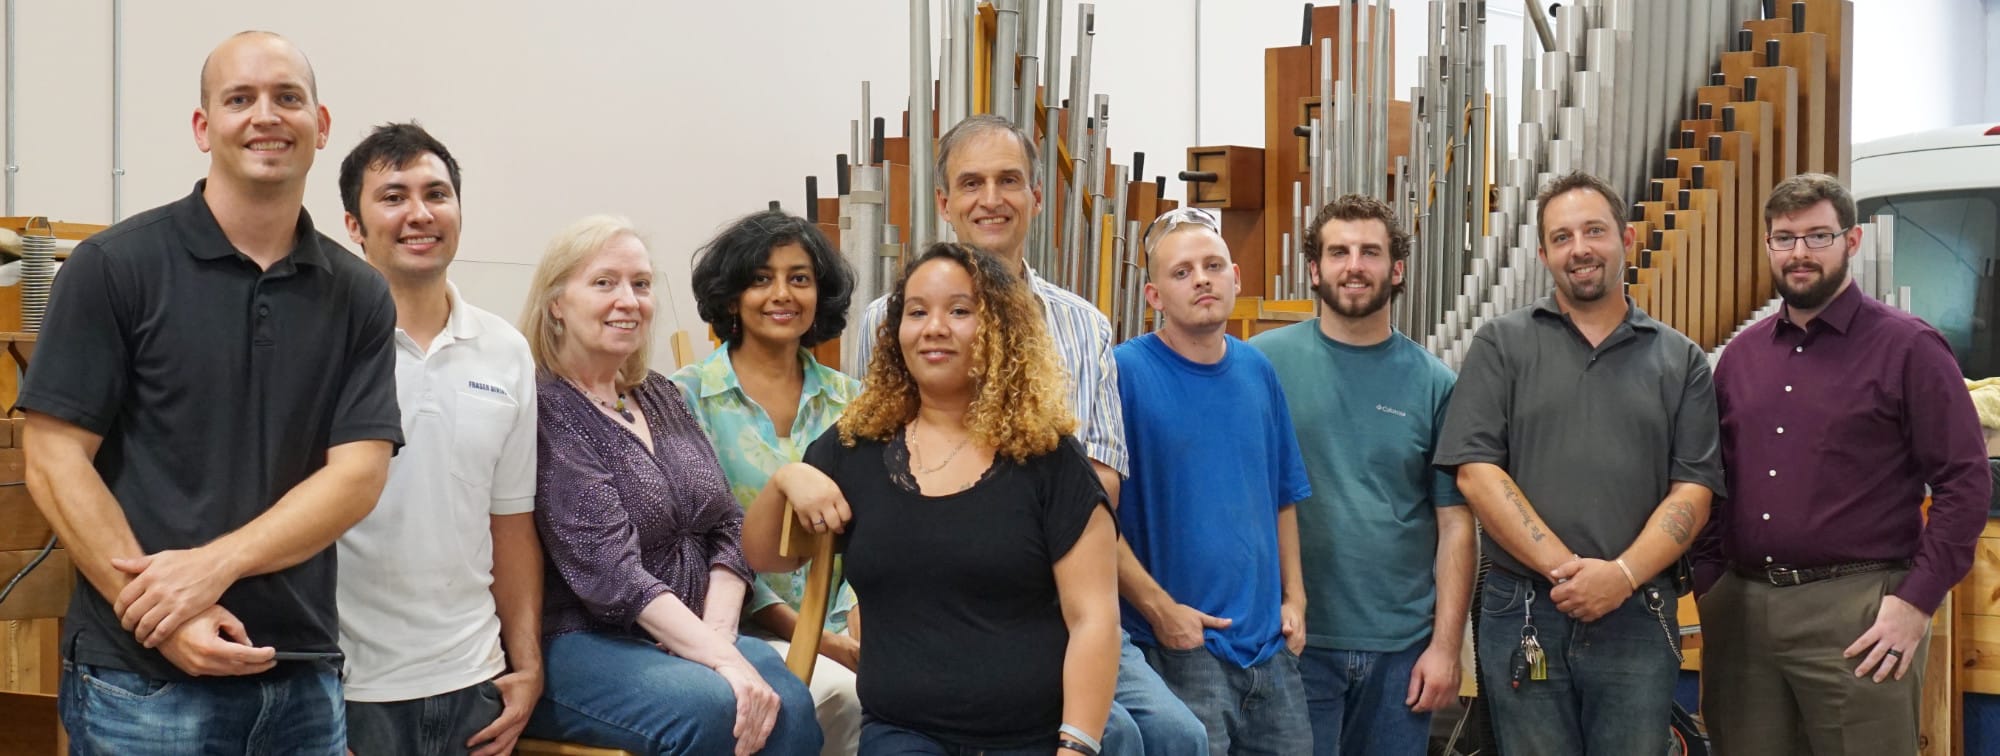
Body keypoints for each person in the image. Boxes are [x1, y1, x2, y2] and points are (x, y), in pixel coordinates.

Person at [20, 31, 399, 752]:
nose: (265, 116)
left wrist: (212, 567)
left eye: (288, 97)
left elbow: (357, 476)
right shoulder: (113, 267)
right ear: (203, 127)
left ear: (320, 126)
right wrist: (164, 617)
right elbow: (53, 457)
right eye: (239, 99)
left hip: (301, 677)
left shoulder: (358, 296)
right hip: (140, 685)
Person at [847, 114, 1205, 756]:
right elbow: (871, 474)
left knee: (1180, 737)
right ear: (944, 203)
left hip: (1065, 592)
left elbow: (1099, 490)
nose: (991, 199)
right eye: (971, 183)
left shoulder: (1084, 325)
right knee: (1115, 735)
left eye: (1009, 180)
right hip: (943, 601)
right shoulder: (887, 321)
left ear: (1037, 197)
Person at [745, 242, 1119, 755]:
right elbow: (766, 556)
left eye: (960, 311)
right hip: (904, 733)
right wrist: (786, 476)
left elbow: (1093, 617)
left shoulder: (1051, 459)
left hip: (1033, 737)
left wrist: (1075, 747)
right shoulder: (855, 444)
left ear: (999, 332)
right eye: (917, 311)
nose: (934, 327)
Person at [1692, 172, 1989, 755]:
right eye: (1784, 238)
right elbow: (1712, 480)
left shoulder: (1909, 347)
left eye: (1817, 236)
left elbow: (1965, 483)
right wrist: (1711, 583)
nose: (1799, 253)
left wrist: (1914, 602)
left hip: (1861, 614)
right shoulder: (1739, 358)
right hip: (1743, 612)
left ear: (1851, 242)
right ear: (1769, 245)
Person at [1433, 171, 1724, 755]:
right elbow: (1477, 474)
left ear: (1627, 238)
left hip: (1639, 609)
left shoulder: (1681, 359)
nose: (1579, 248)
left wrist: (1617, 577)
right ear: (1543, 253)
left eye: (1594, 231)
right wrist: (1567, 571)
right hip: (1523, 609)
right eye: (1562, 237)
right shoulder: (1501, 345)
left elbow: (1693, 492)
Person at [516, 215, 820, 755]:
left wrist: (719, 637)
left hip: (691, 634)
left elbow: (729, 527)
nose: (628, 300)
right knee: (712, 707)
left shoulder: (658, 392)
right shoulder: (546, 406)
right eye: (604, 282)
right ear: (557, 302)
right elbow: (612, 576)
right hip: (585, 640)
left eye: (641, 283)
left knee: (791, 703)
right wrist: (722, 660)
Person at [333, 122, 543, 756]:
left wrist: (526, 664)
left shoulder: (505, 350)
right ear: (353, 225)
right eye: (393, 197)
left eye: (437, 193)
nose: (419, 214)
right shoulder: (320, 342)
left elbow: (510, 523)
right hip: (344, 689)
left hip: (472, 686)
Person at [1248, 195, 1472, 756]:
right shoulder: (1258, 363)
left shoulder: (1435, 383)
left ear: (1396, 270)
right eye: (1339, 251)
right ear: (1314, 269)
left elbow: (1454, 526)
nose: (1354, 265)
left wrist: (1446, 648)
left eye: (1370, 252)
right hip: (1290, 646)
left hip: (1401, 653)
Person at [1114, 208, 1312, 755]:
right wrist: (1161, 611)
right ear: (1154, 296)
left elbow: (1283, 497)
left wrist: (1295, 598)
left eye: (1213, 265)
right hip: (1180, 648)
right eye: (1182, 272)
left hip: (1270, 650)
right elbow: (1091, 519)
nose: (1202, 279)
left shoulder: (1258, 371)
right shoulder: (1123, 373)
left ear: (1236, 278)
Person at [673, 209, 864, 756]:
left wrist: (858, 630)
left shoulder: (855, 402)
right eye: (761, 278)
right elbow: (706, 541)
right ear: (731, 297)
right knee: (849, 701)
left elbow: (873, 531)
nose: (782, 293)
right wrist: (820, 643)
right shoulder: (684, 398)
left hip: (849, 628)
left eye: (798, 278)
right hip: (736, 632)